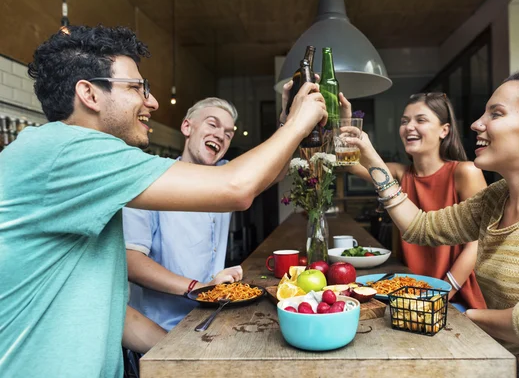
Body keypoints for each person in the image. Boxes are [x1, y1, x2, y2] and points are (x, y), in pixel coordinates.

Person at [0, 25, 327, 377]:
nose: (152, 102)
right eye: (138, 88)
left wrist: (180, 353)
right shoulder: (67, 152)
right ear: (90, 94)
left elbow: (108, 310)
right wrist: (295, 124)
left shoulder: (77, 166)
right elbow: (238, 188)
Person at [346, 46, 519, 377]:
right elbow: (421, 228)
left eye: (496, 114)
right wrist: (370, 157)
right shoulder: (495, 198)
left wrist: (463, 315)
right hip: (509, 365)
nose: (478, 124)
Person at [344, 92, 488, 311]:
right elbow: (350, 164)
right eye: (404, 121)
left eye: (420, 120)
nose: (409, 126)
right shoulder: (400, 174)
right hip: (408, 291)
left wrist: (442, 292)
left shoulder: (465, 172)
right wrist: (345, 123)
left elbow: (479, 242)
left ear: (444, 130)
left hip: (456, 297)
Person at [123, 97, 243, 331]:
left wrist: (287, 122)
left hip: (210, 322)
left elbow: (269, 173)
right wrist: (199, 288)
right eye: (212, 124)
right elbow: (131, 262)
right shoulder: (150, 179)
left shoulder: (226, 179)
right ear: (187, 127)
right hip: (159, 331)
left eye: (228, 133)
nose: (220, 135)